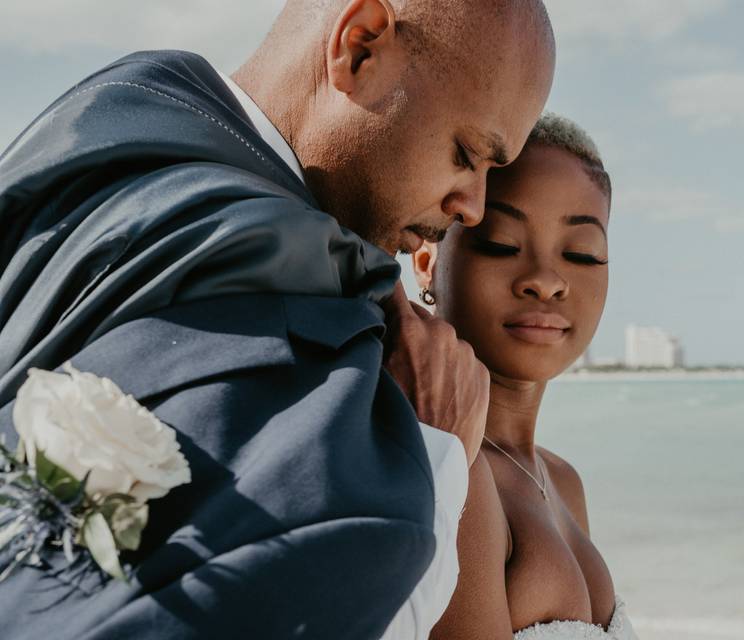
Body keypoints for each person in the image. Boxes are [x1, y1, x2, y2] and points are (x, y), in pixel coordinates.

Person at [0, 1, 554, 638]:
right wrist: (434, 451)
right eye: (466, 154)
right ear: (360, 47)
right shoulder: (296, 289)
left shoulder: (103, 129)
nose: (474, 207)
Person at [412, 114, 638, 639]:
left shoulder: (562, 481)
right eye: (502, 243)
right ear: (427, 260)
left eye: (582, 253)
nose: (546, 280)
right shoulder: (450, 467)